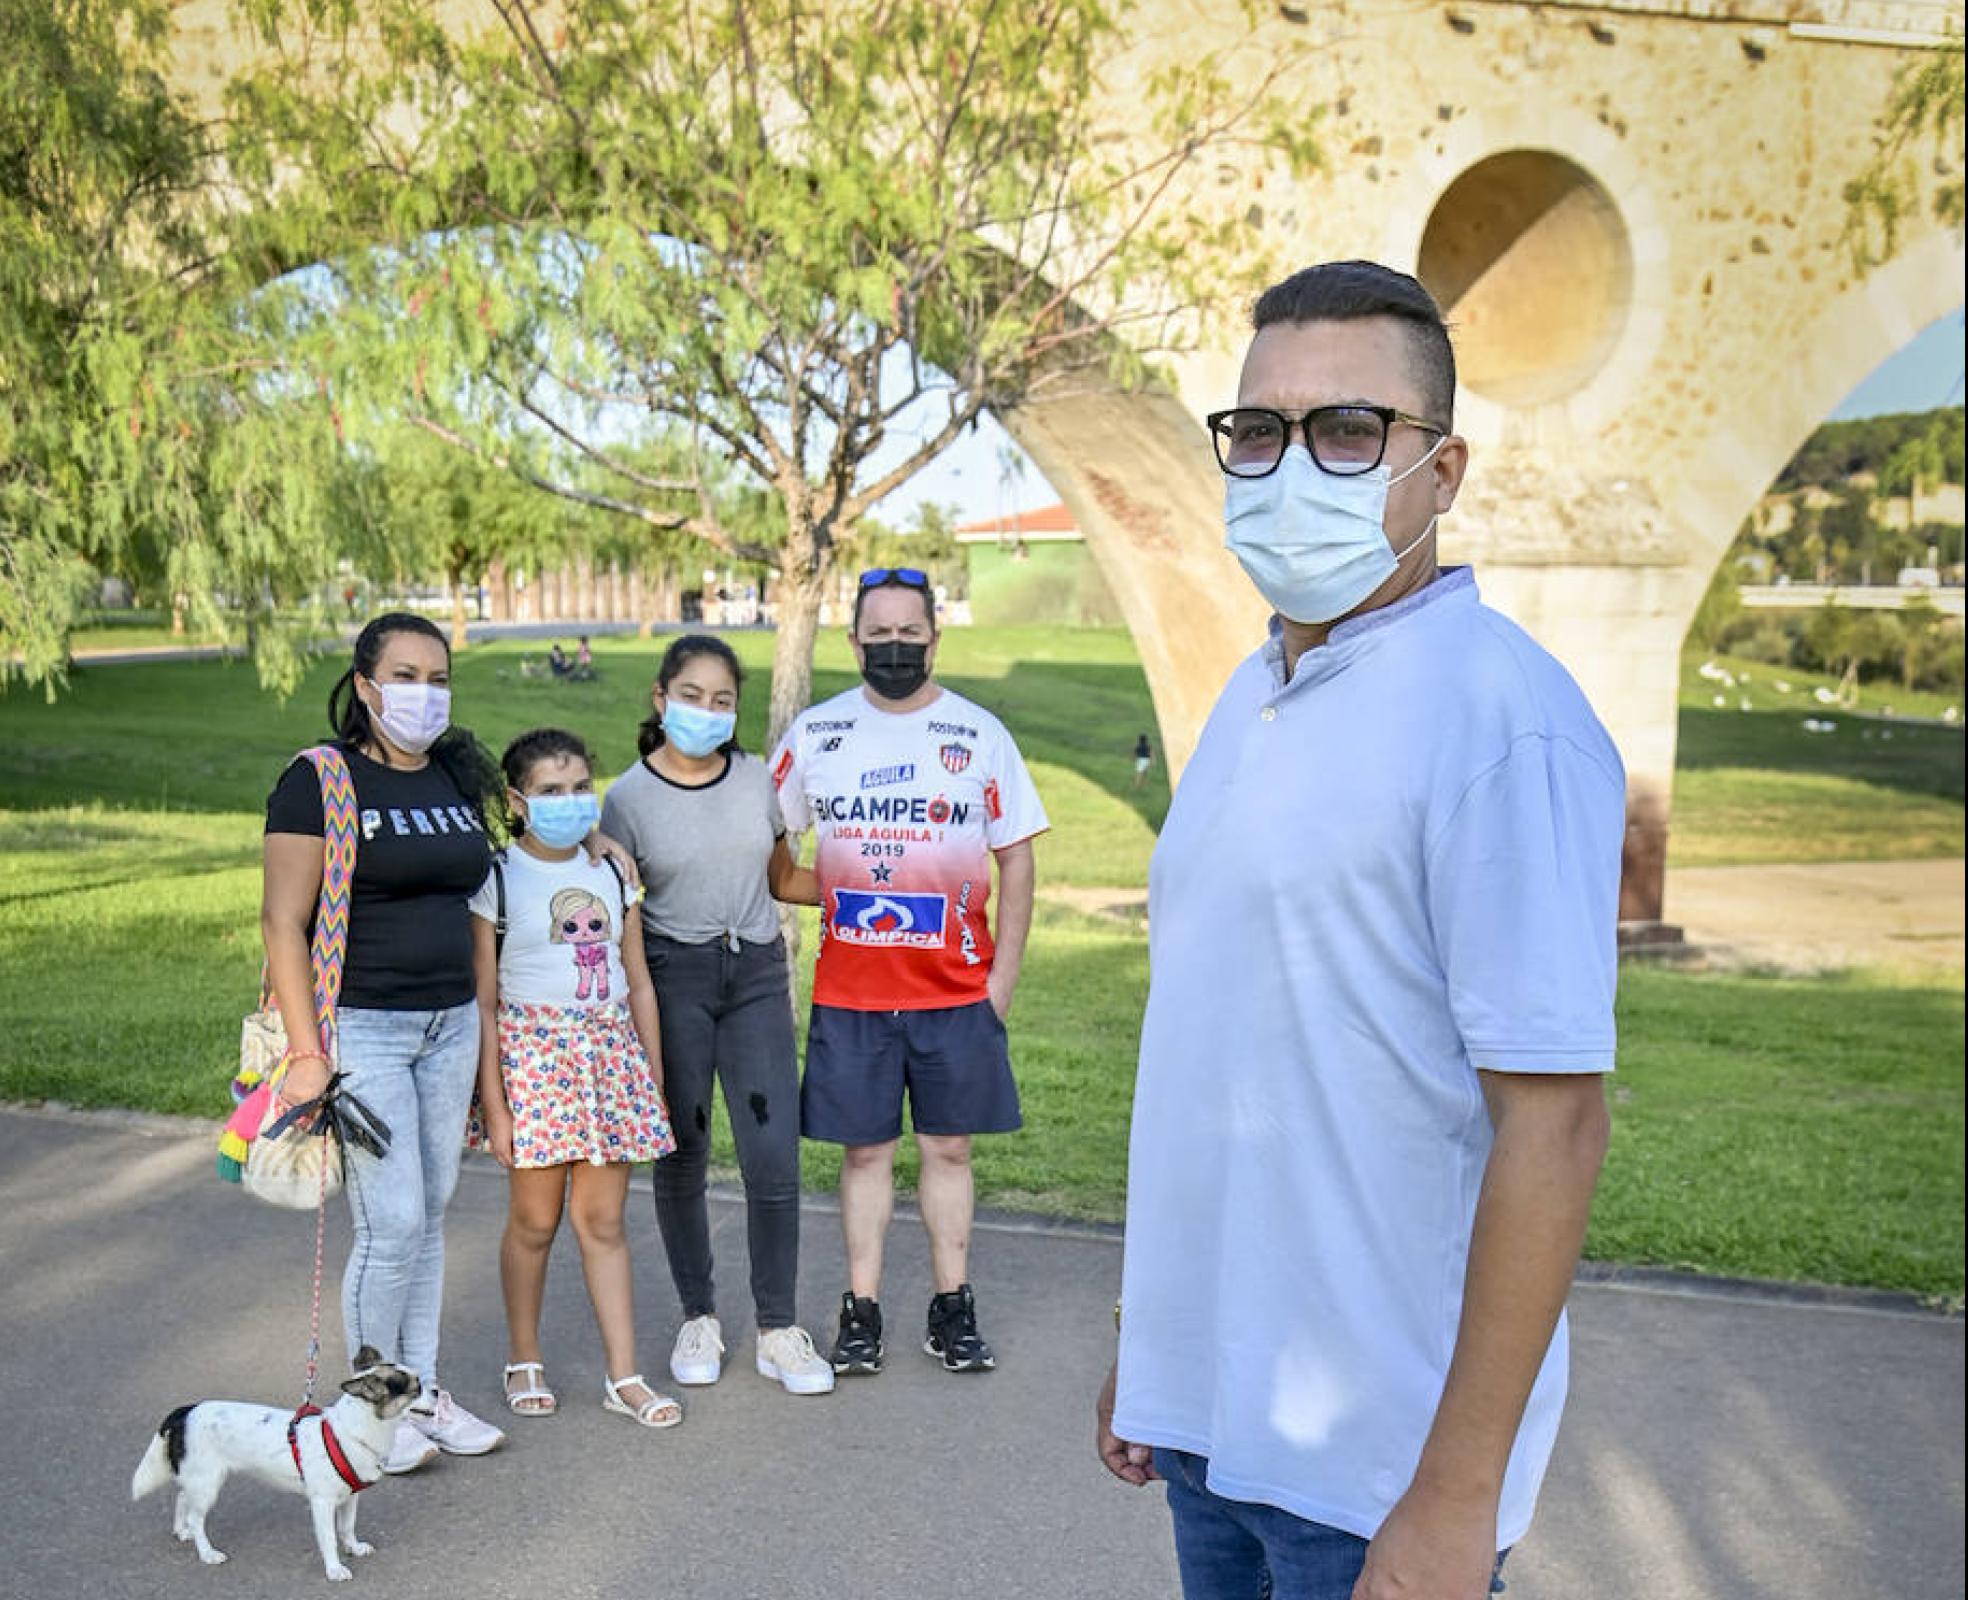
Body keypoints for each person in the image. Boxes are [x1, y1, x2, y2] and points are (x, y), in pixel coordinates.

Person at [1094, 261, 1621, 1600]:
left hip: (1377, 1474)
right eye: (1260, 432)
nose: (1289, 469)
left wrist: (1457, 1496)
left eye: (1346, 431)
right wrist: (1153, 1341)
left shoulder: (1502, 719)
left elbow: (1553, 1123)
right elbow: (1222, 1051)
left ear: (1441, 473)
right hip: (1217, 1428)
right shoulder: (1251, 698)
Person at [770, 568, 1048, 1376]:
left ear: (934, 638)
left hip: (957, 994)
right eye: (879, 635)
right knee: (863, 1156)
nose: (895, 647)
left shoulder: (979, 734)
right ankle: (861, 1310)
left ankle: (951, 1306)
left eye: (910, 634)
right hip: (852, 994)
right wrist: (838, 896)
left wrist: (1003, 982)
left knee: (950, 1150)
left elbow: (1018, 859)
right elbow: (772, 848)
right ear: (853, 641)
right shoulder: (817, 735)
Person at [262, 613, 511, 1474]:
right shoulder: (318, 781)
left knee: (429, 1210)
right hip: (363, 1025)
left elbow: (488, 881)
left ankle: (425, 1391)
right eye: (404, 676)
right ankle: (372, 1408)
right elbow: (282, 922)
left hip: (450, 1024)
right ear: (365, 686)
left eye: (437, 676)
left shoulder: (451, 775)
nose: (424, 692)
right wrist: (305, 1051)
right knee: (393, 1218)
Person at [599, 636, 836, 1398]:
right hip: (675, 977)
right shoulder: (626, 799)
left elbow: (784, 879)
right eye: (693, 696)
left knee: (773, 1155)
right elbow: (612, 907)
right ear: (661, 698)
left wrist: (882, 882)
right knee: (684, 1151)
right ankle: (698, 1314)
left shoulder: (759, 781)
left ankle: (777, 1328)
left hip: (757, 973)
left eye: (724, 700)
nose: (708, 711)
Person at [470, 727, 681, 1429]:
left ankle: (624, 1375)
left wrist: (647, 1079)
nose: (568, 802)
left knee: (605, 1222)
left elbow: (640, 983)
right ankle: (522, 1356)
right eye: (550, 792)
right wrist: (494, 1105)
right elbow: (486, 1002)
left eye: (578, 789)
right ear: (516, 799)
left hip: (610, 1060)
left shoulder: (613, 873)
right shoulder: (495, 877)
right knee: (535, 1221)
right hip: (532, 1062)